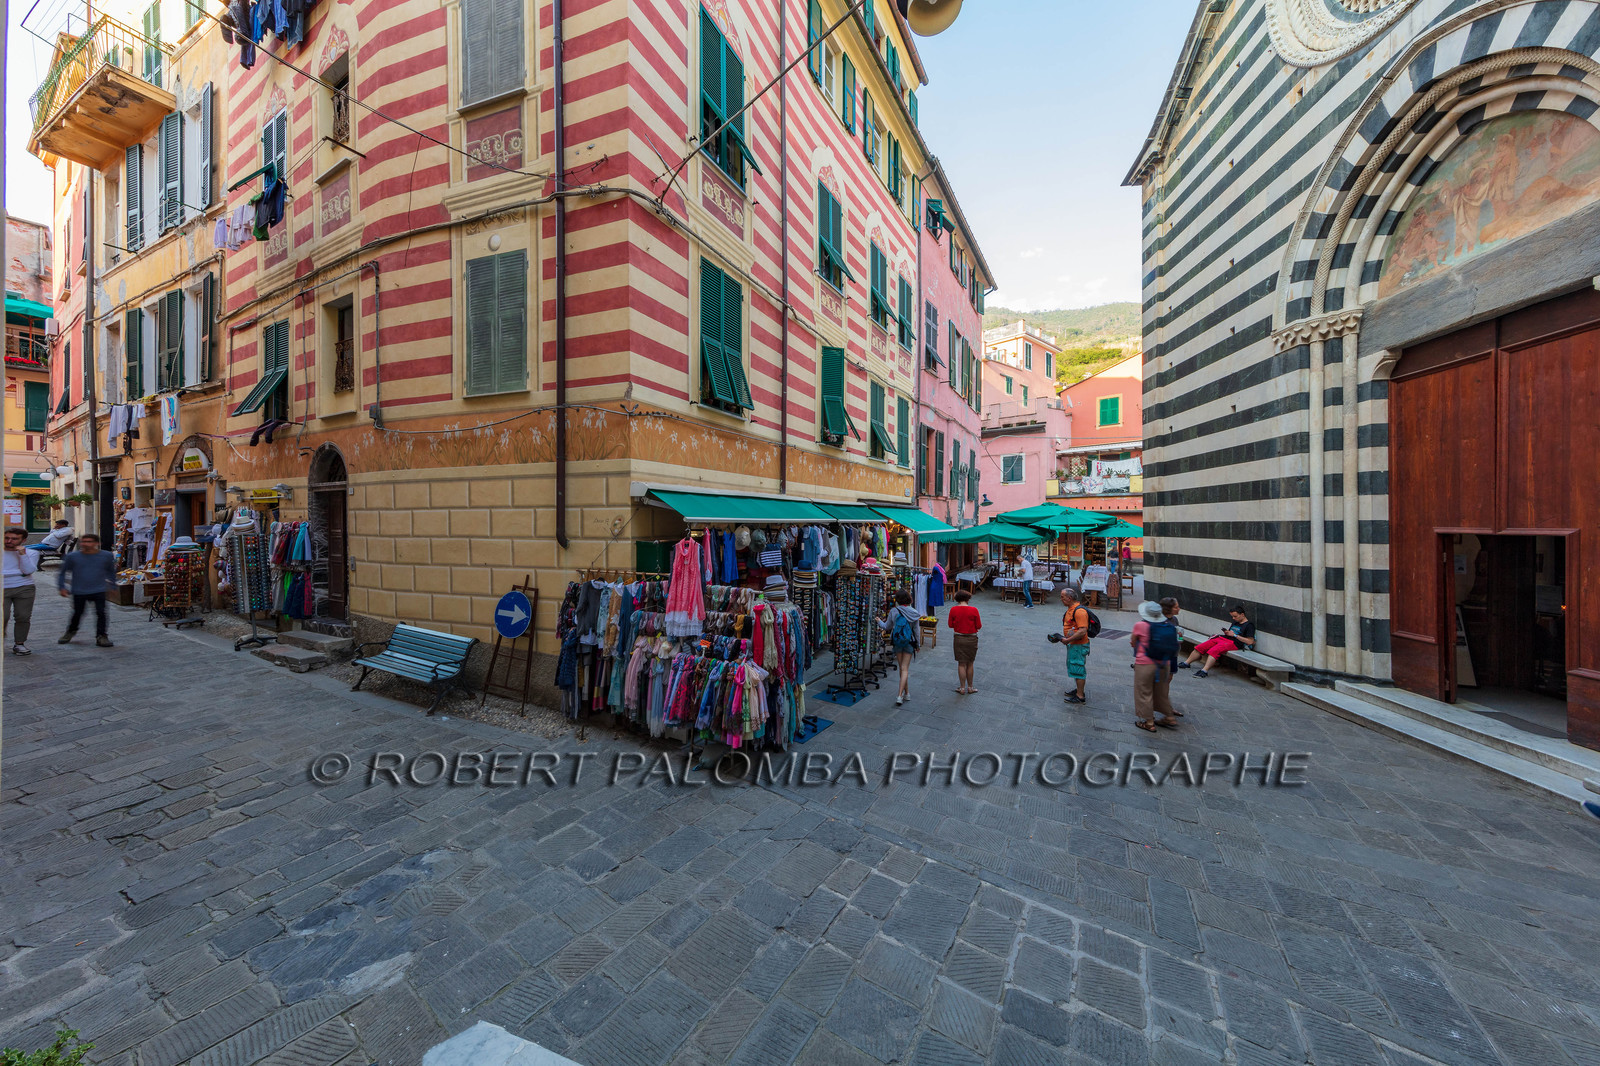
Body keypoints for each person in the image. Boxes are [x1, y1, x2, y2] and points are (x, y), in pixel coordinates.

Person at [57, 533, 118, 647]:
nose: (85, 544)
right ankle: (71, 631)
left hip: (99, 589)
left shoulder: (106, 556)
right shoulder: (73, 557)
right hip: (79, 590)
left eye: (89, 541)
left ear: (97, 543)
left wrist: (113, 585)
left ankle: (102, 636)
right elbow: (62, 572)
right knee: (78, 613)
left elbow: (110, 571)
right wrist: (62, 587)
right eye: (83, 541)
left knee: (101, 613)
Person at [1130, 601, 1179, 732]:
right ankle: (1169, 716)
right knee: (1162, 692)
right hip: (1164, 663)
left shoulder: (1140, 625)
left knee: (1144, 692)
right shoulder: (1168, 625)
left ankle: (1149, 722)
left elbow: (1133, 642)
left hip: (1145, 663)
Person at [1180, 603, 1255, 678]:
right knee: (1201, 646)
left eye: (1235, 616)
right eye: (1232, 616)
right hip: (1224, 638)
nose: (1233, 618)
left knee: (1214, 650)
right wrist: (1227, 633)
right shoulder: (1236, 622)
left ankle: (1204, 671)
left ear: (1242, 614)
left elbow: (1250, 641)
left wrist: (1235, 635)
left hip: (1235, 643)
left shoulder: (1249, 626)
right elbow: (1231, 633)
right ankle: (1186, 663)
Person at [878, 590, 920, 706]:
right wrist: (918, 645)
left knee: (902, 668)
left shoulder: (894, 611)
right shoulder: (914, 612)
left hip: (897, 642)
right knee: (904, 668)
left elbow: (887, 627)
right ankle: (901, 695)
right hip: (909, 642)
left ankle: (905, 694)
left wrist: (878, 621)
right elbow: (916, 631)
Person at [4, 526, 40, 655]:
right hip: (3, 587)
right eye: (7, 538)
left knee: (23, 616)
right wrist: (16, 573)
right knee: (3, 616)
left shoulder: (32, 553)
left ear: (23, 540)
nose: (9, 541)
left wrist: (22, 555)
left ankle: (19, 644)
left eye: (14, 539)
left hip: (24, 587)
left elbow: (28, 571)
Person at [1058, 587, 1091, 704]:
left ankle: (1080, 696)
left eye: (1062, 597)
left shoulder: (1079, 611)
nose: (1061, 599)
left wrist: (1068, 640)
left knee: (1078, 667)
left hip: (1078, 645)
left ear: (1069, 598)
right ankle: (1078, 690)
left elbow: (1082, 631)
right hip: (1074, 644)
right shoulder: (1071, 609)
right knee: (1075, 667)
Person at [947, 590, 981, 694]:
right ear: (968, 599)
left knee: (961, 664)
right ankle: (970, 687)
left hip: (959, 638)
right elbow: (979, 625)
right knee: (970, 663)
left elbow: (950, 625)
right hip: (971, 638)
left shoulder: (953, 609)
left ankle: (962, 688)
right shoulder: (974, 610)